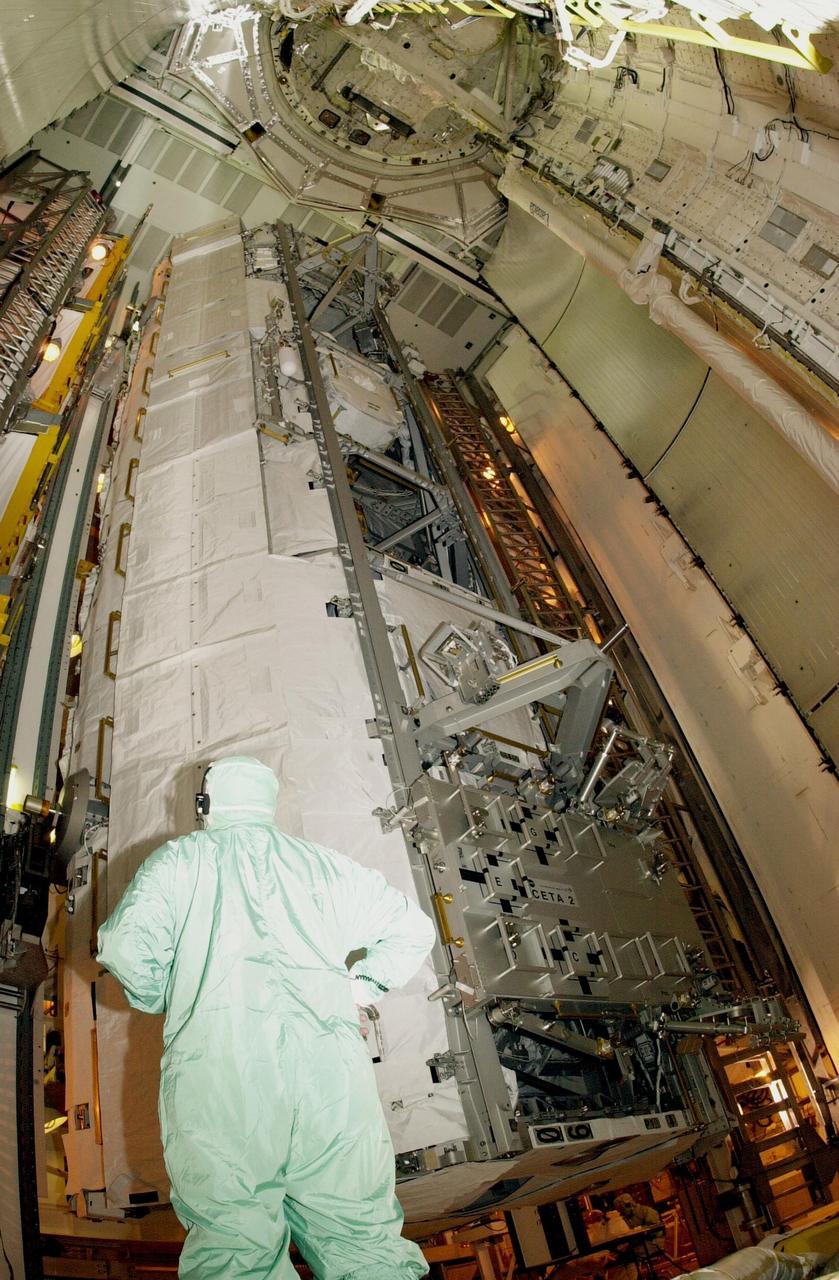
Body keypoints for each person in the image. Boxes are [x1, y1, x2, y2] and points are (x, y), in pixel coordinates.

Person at [98, 755, 435, 1280]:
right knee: (363, 1243)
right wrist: (360, 988)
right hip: (331, 1085)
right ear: (267, 803)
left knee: (237, 1249)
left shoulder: (180, 861)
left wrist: (167, 994)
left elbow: (122, 946)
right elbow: (412, 929)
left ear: (205, 804)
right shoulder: (325, 866)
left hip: (221, 1080)